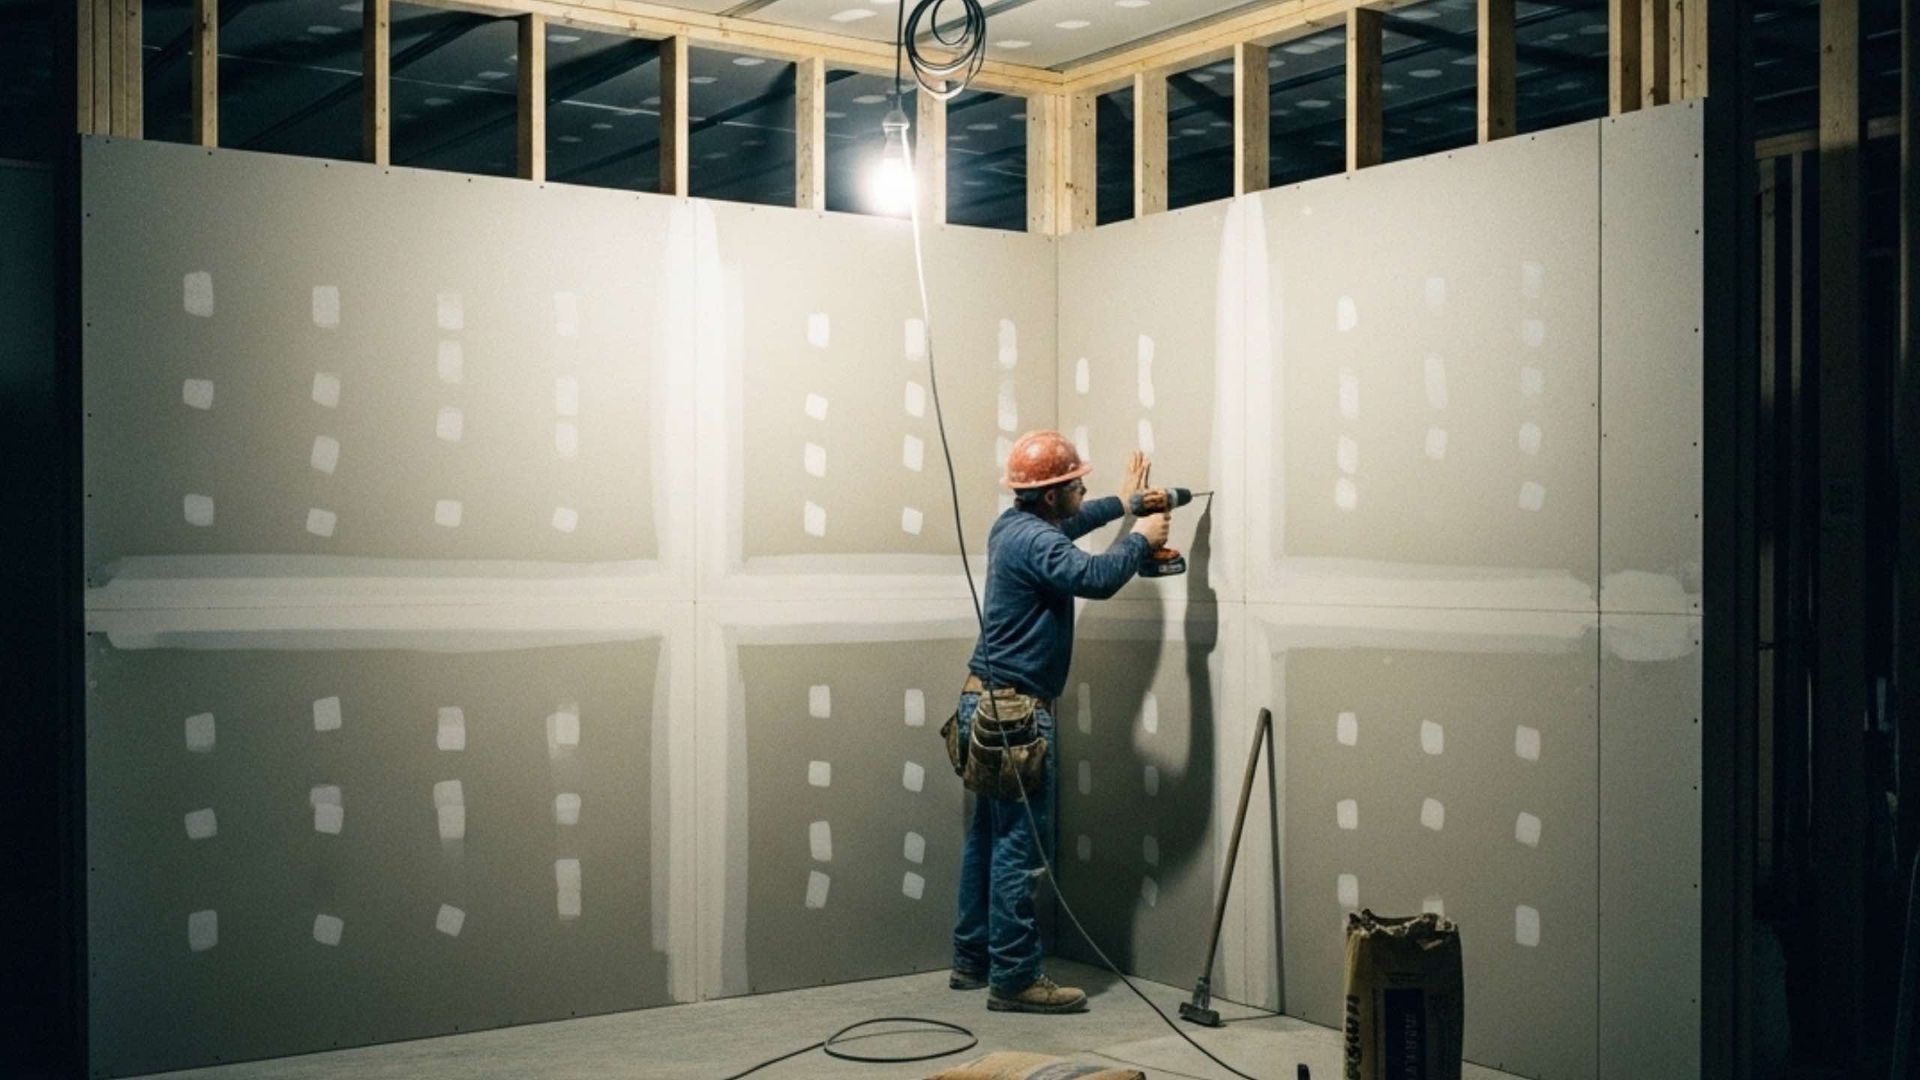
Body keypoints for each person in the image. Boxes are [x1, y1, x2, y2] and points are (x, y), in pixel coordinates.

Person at [948, 431, 1170, 1013]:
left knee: (987, 839)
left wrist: (1125, 504)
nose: (1083, 488)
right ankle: (1016, 978)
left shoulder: (1014, 529)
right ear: (1051, 495)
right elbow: (1094, 578)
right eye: (1076, 483)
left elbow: (1070, 531)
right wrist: (1143, 541)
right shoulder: (1039, 543)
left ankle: (973, 959)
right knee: (1021, 847)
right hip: (1017, 714)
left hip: (984, 703)